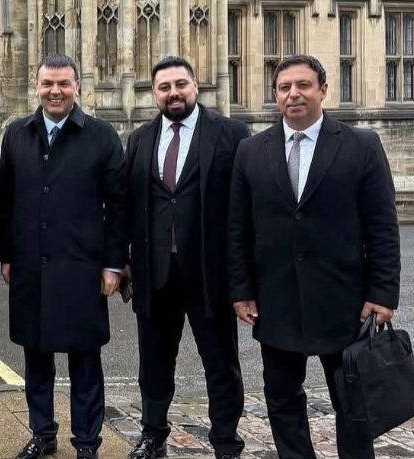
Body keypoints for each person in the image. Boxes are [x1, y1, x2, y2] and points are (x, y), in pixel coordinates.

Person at [228, 54, 400, 459]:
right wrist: (241, 289)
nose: (294, 94)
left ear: (323, 90)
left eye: (303, 85)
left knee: (352, 404)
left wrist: (383, 293)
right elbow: (238, 228)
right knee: (282, 400)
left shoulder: (361, 145)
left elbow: (382, 226)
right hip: (277, 300)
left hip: (344, 302)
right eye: (285, 87)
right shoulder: (250, 151)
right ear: (275, 95)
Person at [0, 54, 127, 459]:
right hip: (30, 268)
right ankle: (42, 433)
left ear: (77, 87)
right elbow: (5, 202)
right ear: (36, 87)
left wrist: (112, 264)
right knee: (36, 359)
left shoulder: (102, 136)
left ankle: (87, 442)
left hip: (82, 268)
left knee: (85, 361)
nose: (55, 91)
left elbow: (118, 207)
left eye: (64, 84)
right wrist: (5, 255)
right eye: (48, 84)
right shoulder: (17, 134)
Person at [123, 56, 250, 459]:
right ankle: (153, 434)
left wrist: (244, 277)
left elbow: (244, 210)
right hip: (155, 272)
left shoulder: (231, 134)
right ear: (154, 93)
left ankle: (226, 443)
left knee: (221, 364)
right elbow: (129, 205)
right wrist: (124, 258)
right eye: (164, 87)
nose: (173, 93)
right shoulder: (140, 138)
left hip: (209, 273)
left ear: (195, 86)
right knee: (154, 364)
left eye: (180, 84)